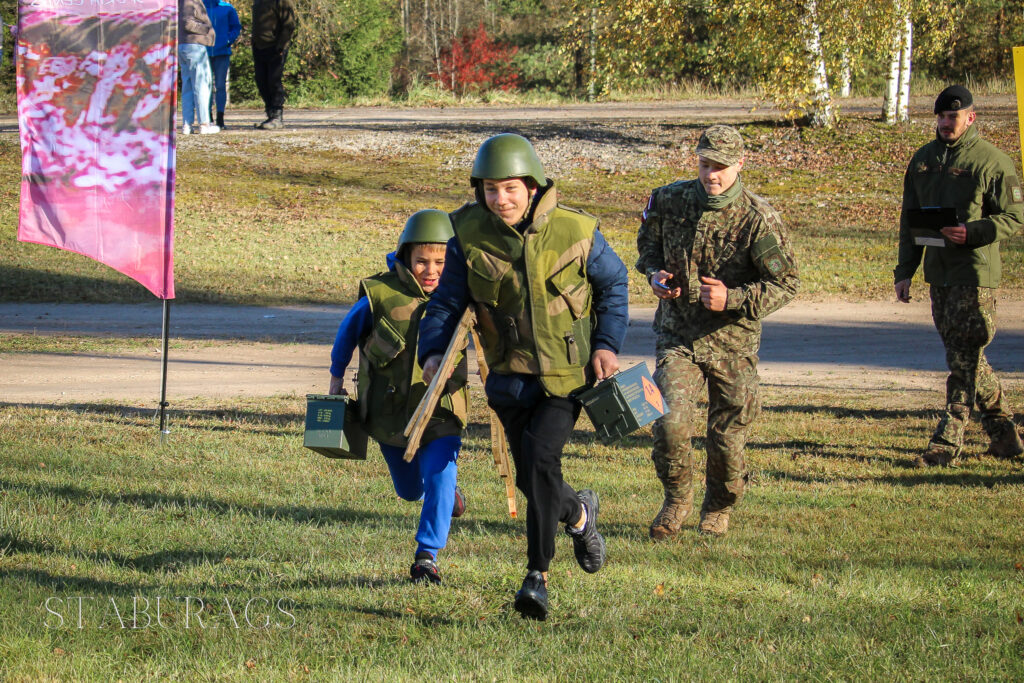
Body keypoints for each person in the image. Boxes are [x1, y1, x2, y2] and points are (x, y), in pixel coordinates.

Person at [418, 133, 629, 621]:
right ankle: (579, 514)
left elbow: (614, 282)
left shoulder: (576, 230)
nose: (500, 199)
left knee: (538, 458)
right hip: (509, 377)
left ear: (532, 185)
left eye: (510, 188)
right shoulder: (467, 234)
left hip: (567, 376)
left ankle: (537, 577)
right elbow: (448, 300)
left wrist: (606, 344)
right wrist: (433, 350)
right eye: (491, 189)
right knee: (540, 480)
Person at [636, 125, 799, 540]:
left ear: (740, 164)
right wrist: (655, 276)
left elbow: (785, 283)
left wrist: (734, 298)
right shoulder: (670, 200)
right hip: (678, 337)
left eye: (722, 167)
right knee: (669, 422)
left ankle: (719, 507)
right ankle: (676, 500)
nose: (713, 174)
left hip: (733, 342)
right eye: (706, 164)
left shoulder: (757, 218)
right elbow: (647, 249)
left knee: (727, 437)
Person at [328, 210, 469, 584]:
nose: (431, 270)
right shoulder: (379, 294)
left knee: (440, 470)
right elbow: (346, 336)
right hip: (389, 415)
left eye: (441, 261)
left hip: (441, 410)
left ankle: (427, 556)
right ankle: (446, 496)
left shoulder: (463, 297)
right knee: (410, 490)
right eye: (422, 260)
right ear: (405, 256)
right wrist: (335, 380)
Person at [894, 85, 1024, 467]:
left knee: (963, 357)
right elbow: (909, 221)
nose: (946, 123)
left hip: (974, 273)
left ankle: (946, 443)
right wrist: (905, 271)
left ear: (971, 117)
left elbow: (1014, 216)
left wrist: (973, 232)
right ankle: (1004, 436)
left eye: (954, 116)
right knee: (965, 357)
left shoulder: (992, 161)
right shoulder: (922, 161)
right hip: (939, 274)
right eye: (941, 117)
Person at [251, 0, 296, 130]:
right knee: (261, 80)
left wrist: (281, 46)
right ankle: (270, 114)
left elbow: (289, 24)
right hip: (258, 47)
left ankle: (277, 116)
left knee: (273, 80)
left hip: (275, 47)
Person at [178, 0, 218, 135]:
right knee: (202, 85)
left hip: (183, 45)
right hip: (194, 46)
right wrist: (207, 29)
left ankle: (187, 125)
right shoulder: (189, 1)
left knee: (188, 87)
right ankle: (204, 124)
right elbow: (188, 23)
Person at [204, 0, 241, 129]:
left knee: (220, 85)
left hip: (222, 52)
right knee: (205, 86)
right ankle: (207, 117)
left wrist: (228, 39)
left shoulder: (227, 8)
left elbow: (236, 27)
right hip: (204, 53)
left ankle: (220, 117)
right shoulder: (200, 6)